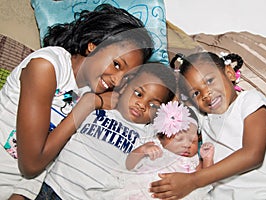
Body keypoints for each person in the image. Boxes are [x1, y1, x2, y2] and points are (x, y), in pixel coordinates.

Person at [0, 4, 154, 200]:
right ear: (93, 45)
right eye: (116, 64)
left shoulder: (96, 90)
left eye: (126, 78)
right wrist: (87, 105)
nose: (116, 80)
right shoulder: (47, 67)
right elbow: (30, 166)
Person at [150, 52, 266, 199]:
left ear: (229, 73)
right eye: (196, 93)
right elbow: (171, 108)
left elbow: (253, 154)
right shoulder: (204, 118)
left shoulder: (249, 101)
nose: (206, 94)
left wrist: (193, 180)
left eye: (209, 81)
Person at [35, 63, 176, 199]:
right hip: (53, 185)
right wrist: (99, 99)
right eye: (138, 94)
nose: (142, 104)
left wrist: (142, 151)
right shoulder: (98, 104)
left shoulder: (147, 133)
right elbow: (63, 97)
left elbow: (131, 164)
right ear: (124, 87)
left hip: (89, 196)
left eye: (153, 105)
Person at [121, 101, 214, 200]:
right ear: (162, 137)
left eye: (193, 141)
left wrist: (207, 159)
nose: (187, 145)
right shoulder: (154, 146)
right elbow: (129, 165)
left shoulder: (194, 160)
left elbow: (205, 179)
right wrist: (142, 150)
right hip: (142, 192)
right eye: (179, 139)